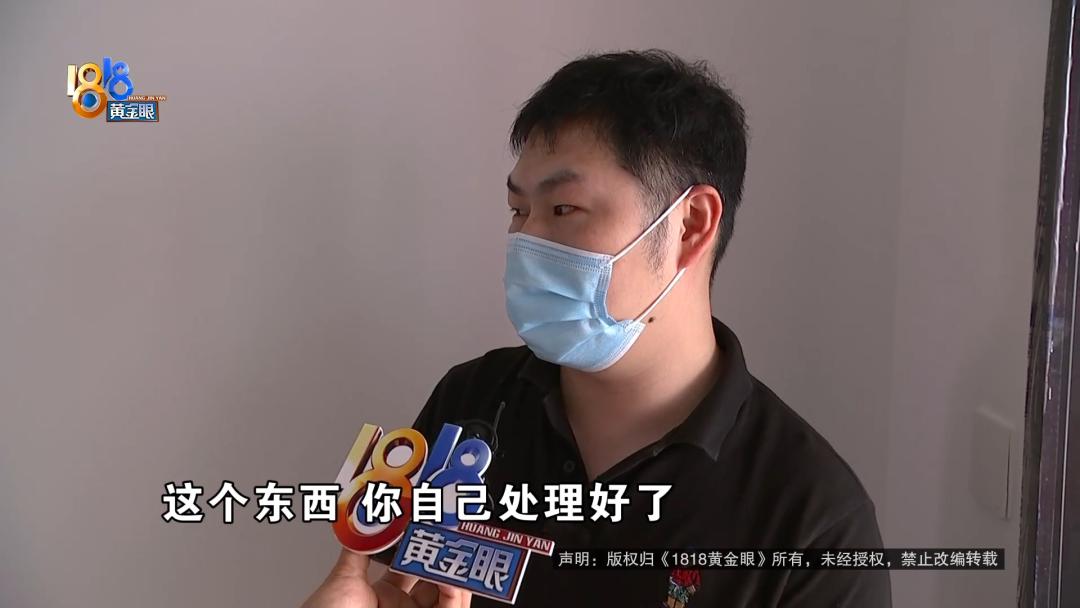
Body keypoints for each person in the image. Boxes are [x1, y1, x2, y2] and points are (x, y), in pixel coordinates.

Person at [303, 48, 891, 608]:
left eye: (563, 209)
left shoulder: (811, 520)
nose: (526, 240)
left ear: (690, 224)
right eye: (518, 210)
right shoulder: (471, 403)